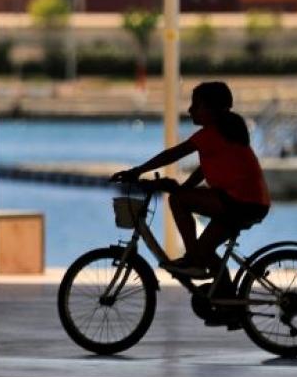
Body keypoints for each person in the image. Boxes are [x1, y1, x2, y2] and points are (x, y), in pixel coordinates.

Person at [111, 81, 270, 280]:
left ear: (211, 109)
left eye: (196, 105)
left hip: (239, 203)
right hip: (250, 204)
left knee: (177, 201)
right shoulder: (225, 132)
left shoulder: (212, 133)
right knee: (204, 251)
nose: (190, 109)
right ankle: (226, 298)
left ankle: (193, 261)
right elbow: (204, 169)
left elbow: (174, 154)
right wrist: (184, 188)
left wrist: (138, 171)